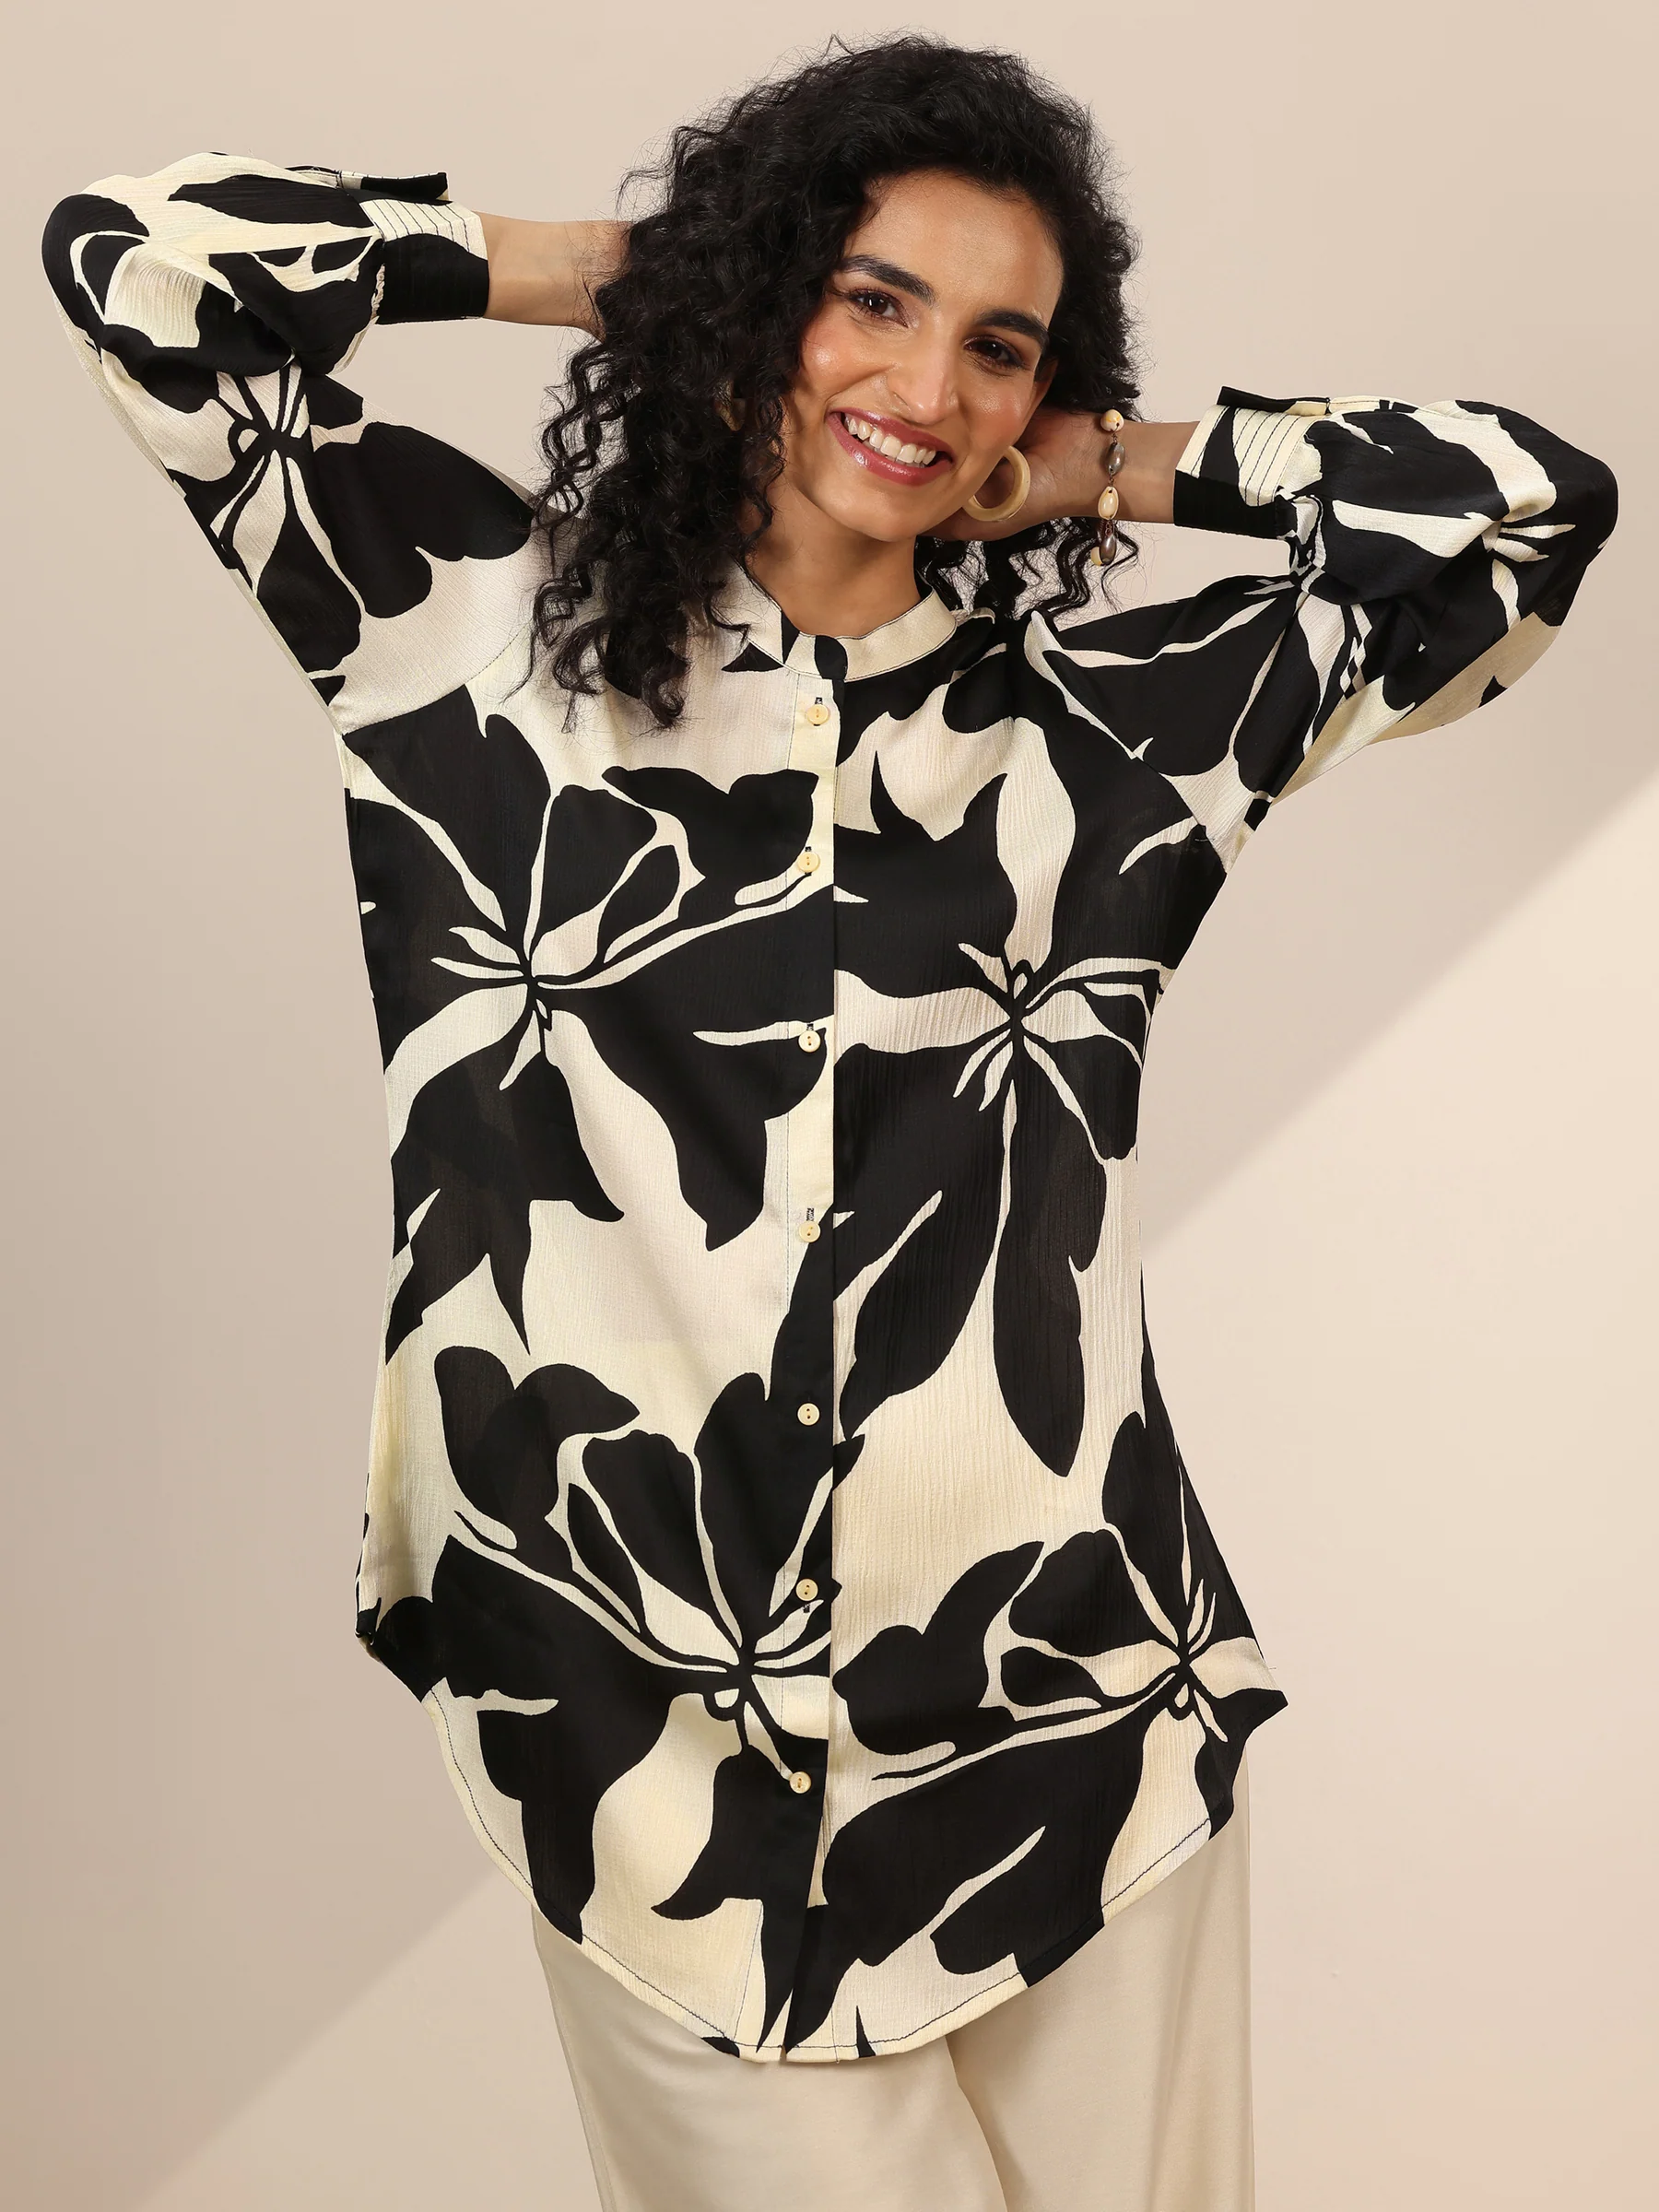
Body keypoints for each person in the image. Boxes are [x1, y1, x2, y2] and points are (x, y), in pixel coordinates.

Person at [41, 33, 1616, 2212]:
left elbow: (1528, 511)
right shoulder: (458, 636)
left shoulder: (1117, 730)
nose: (930, 383)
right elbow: (135, 264)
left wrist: (1097, 470)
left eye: (1000, 346)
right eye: (870, 298)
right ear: (770, 291)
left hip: (1067, 1715)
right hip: (632, 1730)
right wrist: (654, 272)